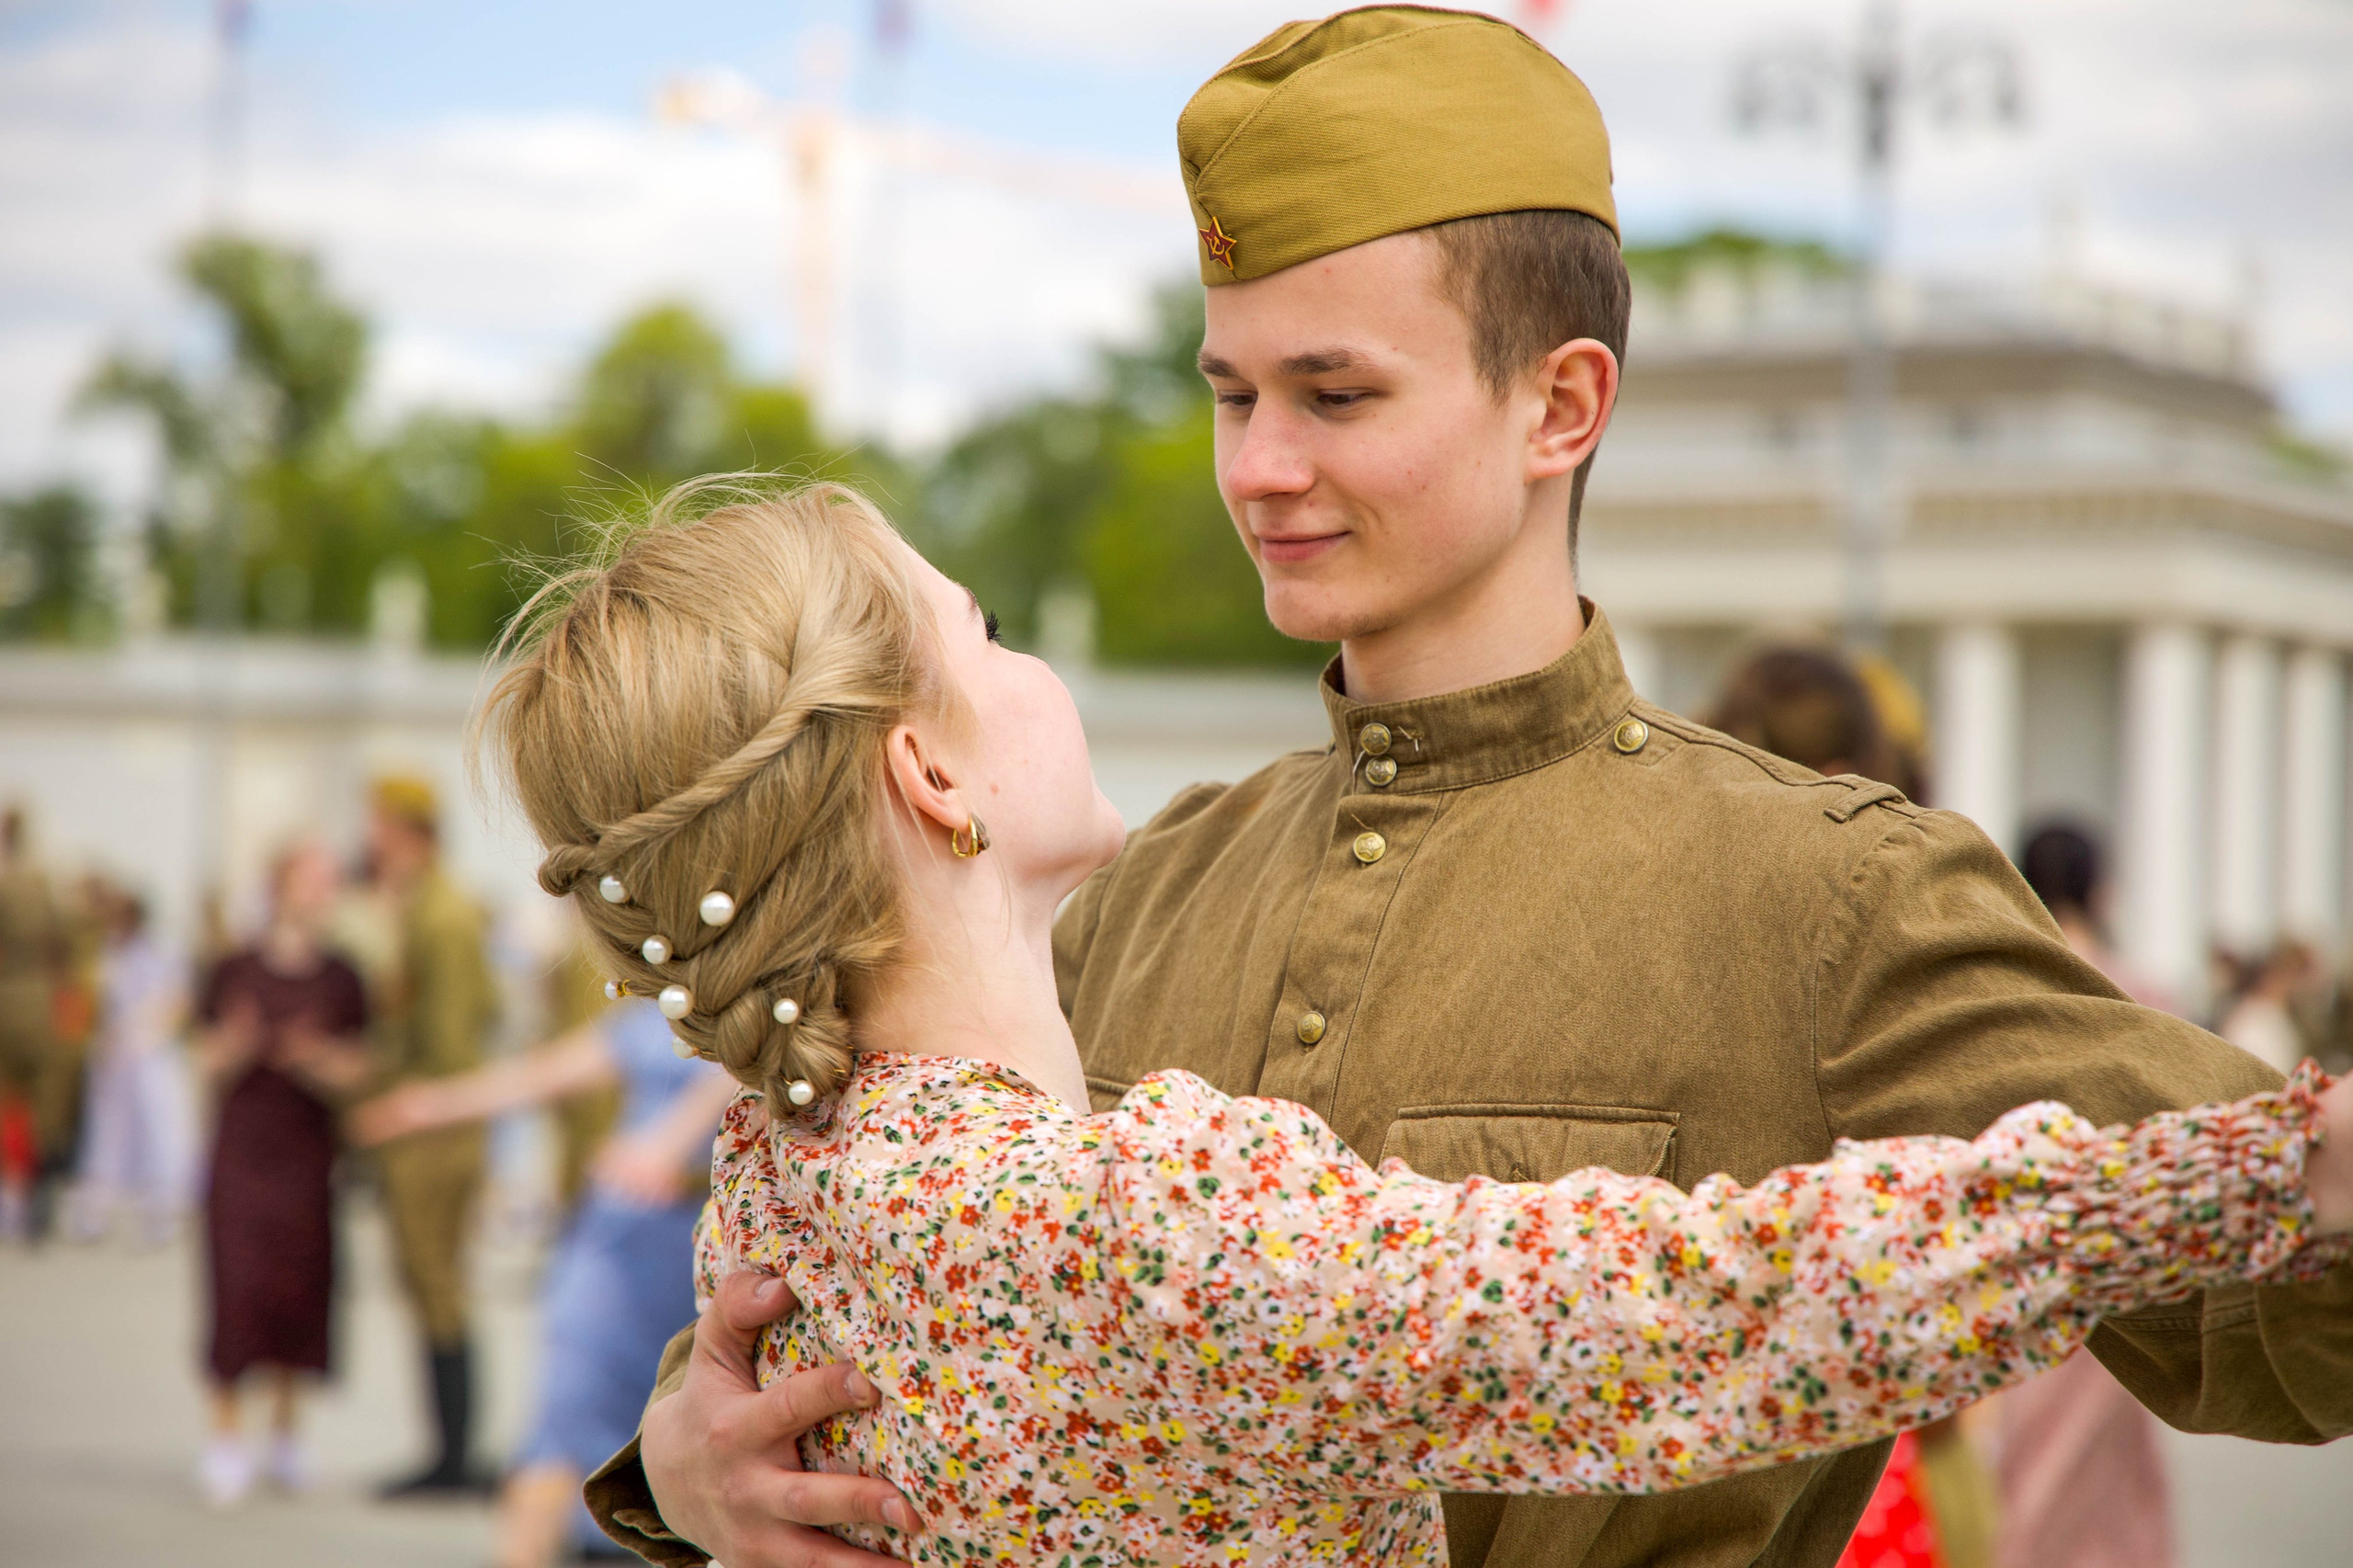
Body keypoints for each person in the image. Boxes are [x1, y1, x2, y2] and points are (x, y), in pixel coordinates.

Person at [602, 12, 2353, 1568]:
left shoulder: (1827, 894)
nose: (1258, 467)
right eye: (1230, 393)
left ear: (1561, 405)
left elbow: (2282, 1310)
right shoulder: (1137, 882)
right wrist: (685, 1457)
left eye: (1335, 393)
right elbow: (905, 1273)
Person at [477, 480, 2353, 1566]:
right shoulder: (1121, 1216)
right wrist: (2270, 1165)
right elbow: (1694, 1308)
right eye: (982, 632)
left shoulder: (784, 1182)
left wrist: (675, 1480)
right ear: (930, 776)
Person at [352, 996, 734, 1567]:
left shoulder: (757, 1012)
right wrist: (432, 1105)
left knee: (651, 1428)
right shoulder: (658, 1011)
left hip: (689, 1242)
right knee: (563, 1412)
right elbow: (544, 1075)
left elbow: (721, 1086)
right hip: (618, 1231)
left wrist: (666, 1145)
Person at [194, 840, 374, 1507]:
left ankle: (287, 1432)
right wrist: (237, 1046)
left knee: (298, 1286)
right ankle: (225, 1435)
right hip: (242, 1150)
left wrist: (315, 1059)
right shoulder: (233, 968)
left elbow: (360, 1065)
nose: (326, 889)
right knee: (236, 1285)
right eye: (314, 877)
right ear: (282, 885)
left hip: (306, 1154)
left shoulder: (342, 976)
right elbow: (202, 1058)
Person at [366, 774, 504, 1496]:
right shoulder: (429, 905)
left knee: (437, 1284)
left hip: (435, 1129)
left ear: (406, 829)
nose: (371, 837)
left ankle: (454, 1461)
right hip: (433, 1122)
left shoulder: (441, 916)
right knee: (428, 1285)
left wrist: (402, 1101)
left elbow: (450, 1041)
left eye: (378, 823)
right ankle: (448, 1454)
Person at [67, 886, 195, 1247]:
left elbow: (176, 1001)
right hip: (115, 1053)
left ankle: (161, 1209)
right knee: (107, 1133)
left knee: (160, 1131)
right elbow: (96, 1002)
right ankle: (95, 1209)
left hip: (151, 1053)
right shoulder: (107, 953)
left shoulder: (160, 951)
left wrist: (146, 1034)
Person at [0, 803, 65, 1244]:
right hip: (42, 999)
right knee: (46, 1106)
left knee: (9, 1101)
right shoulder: (43, 881)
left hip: (6, 995)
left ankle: (14, 1195)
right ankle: (39, 1199)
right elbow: (61, 940)